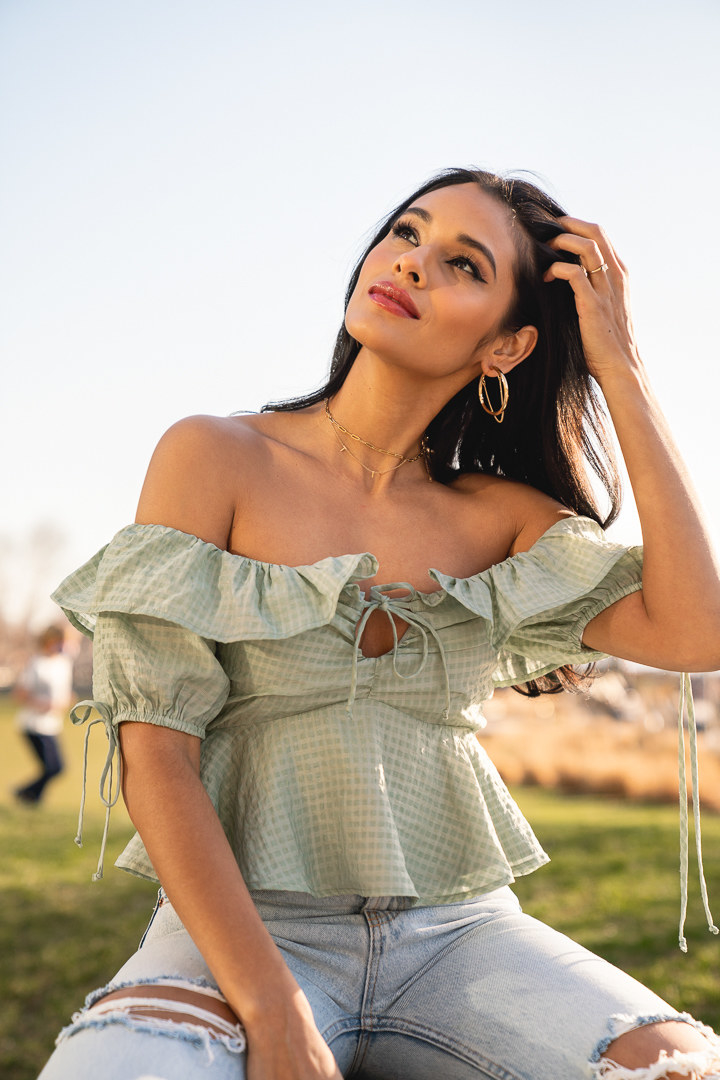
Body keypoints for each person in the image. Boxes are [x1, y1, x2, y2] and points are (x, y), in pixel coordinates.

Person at [42, 168, 720, 1079]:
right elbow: (156, 754)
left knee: (676, 1068)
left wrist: (620, 369)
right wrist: (273, 1012)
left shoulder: (506, 519)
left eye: (462, 264)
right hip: (246, 929)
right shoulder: (214, 456)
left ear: (507, 347)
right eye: (406, 233)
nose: (411, 263)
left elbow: (694, 630)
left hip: (458, 935)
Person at [14, 624, 73, 804]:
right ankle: (26, 794)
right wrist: (39, 703)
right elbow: (20, 693)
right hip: (33, 725)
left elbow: (65, 693)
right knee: (53, 767)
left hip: (52, 724)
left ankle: (29, 796)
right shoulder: (37, 663)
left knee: (55, 768)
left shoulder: (64, 664)